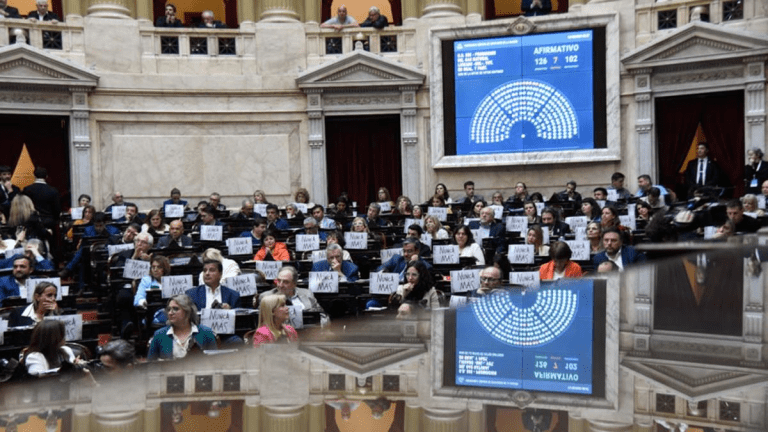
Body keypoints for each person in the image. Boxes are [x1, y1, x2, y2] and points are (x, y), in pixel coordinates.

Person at [147, 294, 218, 361]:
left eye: (175, 309)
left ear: (187, 312)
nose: (170, 313)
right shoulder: (159, 335)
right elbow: (150, 365)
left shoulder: (206, 333)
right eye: (169, 309)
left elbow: (215, 362)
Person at [257, 267, 327, 324]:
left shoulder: (307, 293)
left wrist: (320, 327)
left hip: (308, 334)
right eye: (279, 281)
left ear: (294, 284)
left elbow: (323, 316)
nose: (280, 285)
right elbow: (262, 321)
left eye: (285, 282)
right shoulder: (266, 297)